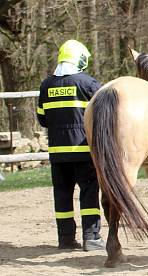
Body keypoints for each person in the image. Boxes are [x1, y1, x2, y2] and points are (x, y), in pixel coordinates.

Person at [36, 39, 105, 251]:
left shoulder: (46, 85)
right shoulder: (89, 84)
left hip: (57, 154)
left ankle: (65, 239)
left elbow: (42, 119)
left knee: (63, 197)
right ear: (81, 60)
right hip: (84, 152)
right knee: (89, 194)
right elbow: (104, 117)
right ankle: (91, 238)